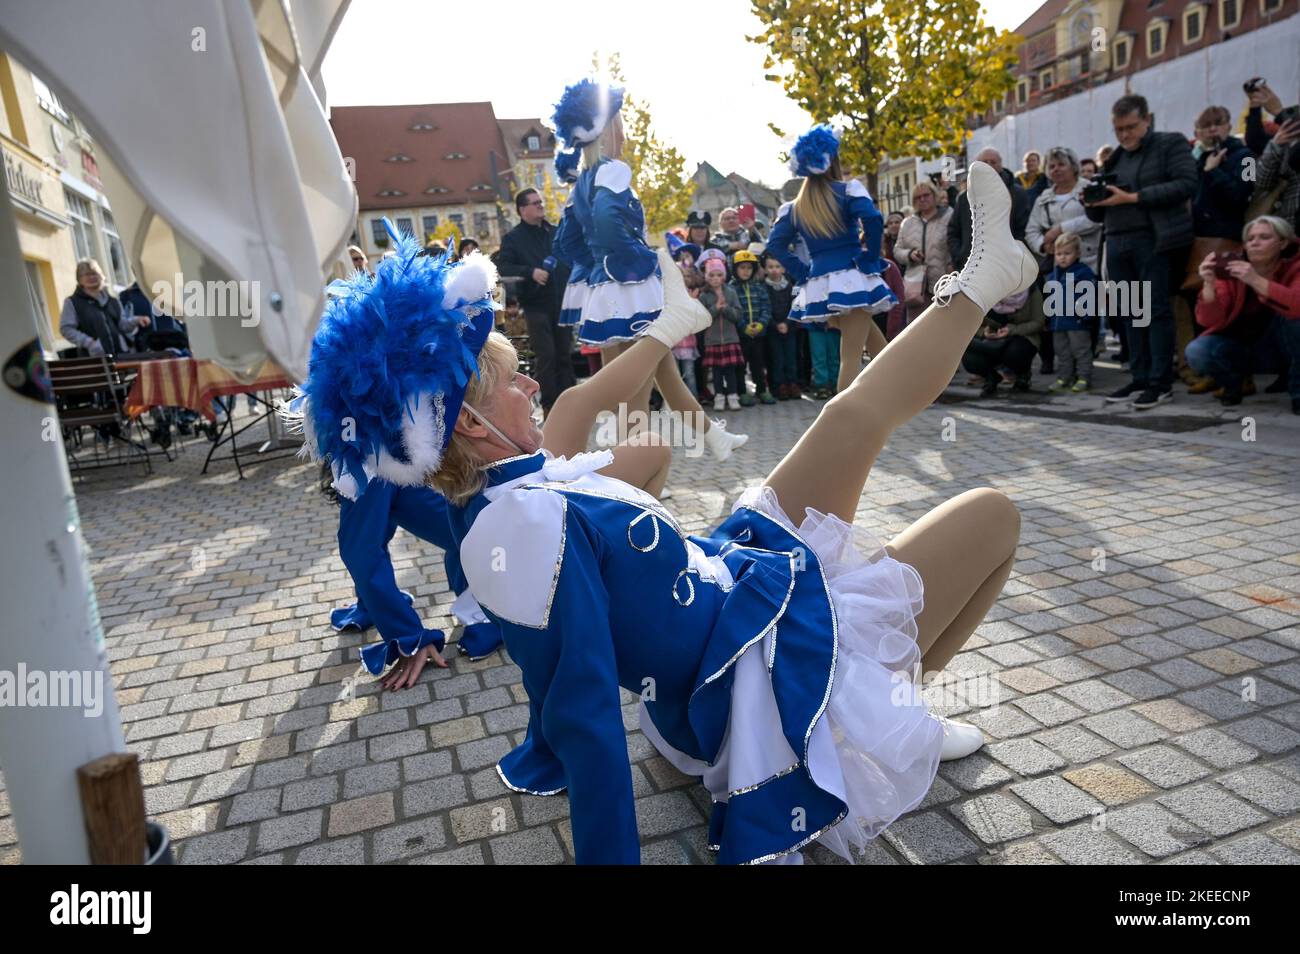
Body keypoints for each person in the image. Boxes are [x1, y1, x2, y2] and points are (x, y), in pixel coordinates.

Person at [320, 159, 1034, 865]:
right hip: (754, 672)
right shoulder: (518, 525)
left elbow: (563, 634)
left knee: (849, 417)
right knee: (992, 514)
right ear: (473, 427)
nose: (533, 379)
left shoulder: (507, 492)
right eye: (512, 378)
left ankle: (984, 276)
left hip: (732, 588)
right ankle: (888, 719)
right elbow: (584, 710)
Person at [548, 79, 747, 461]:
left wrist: (596, 266)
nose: (624, 130)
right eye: (619, 122)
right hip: (629, 285)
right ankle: (633, 472)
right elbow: (605, 222)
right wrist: (632, 259)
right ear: (609, 130)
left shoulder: (583, 180)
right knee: (632, 392)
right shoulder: (613, 170)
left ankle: (712, 438)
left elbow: (566, 242)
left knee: (659, 371)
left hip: (607, 291)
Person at [1085, 94, 1198, 411]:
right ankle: (1140, 376)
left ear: (1147, 120)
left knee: (1156, 311)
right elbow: (1101, 211)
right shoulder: (1116, 158)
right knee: (1131, 314)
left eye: (1131, 127)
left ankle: (1160, 383)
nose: (1124, 135)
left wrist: (1134, 198)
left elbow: (1187, 183)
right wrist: (1091, 201)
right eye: (1119, 129)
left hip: (1154, 240)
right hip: (1118, 241)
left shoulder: (1170, 144)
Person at [767, 124, 894, 396]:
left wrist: (804, 272)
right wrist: (870, 256)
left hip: (821, 281)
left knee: (873, 342)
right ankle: (842, 418)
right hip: (851, 274)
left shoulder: (795, 207)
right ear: (833, 159)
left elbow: (775, 244)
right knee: (850, 355)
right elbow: (872, 219)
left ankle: (899, 392)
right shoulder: (847, 190)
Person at [1188, 215, 1300, 412]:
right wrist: (1209, 285)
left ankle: (1297, 392)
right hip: (1244, 347)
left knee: (1295, 321)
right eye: (1250, 239)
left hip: (1283, 347)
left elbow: (1297, 305)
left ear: (1282, 243)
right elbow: (1208, 320)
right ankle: (1234, 384)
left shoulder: (1296, 264)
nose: (1255, 242)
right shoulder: (1230, 267)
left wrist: (1255, 280)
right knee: (1197, 351)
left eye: (1264, 237)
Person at [495, 188, 577, 413]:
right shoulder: (513, 238)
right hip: (535, 305)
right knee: (547, 355)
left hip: (561, 302)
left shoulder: (555, 231)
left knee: (564, 354)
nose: (540, 205)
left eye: (541, 201)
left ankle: (571, 403)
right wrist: (531, 272)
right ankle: (550, 406)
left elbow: (570, 256)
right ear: (522, 209)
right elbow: (503, 266)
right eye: (535, 202)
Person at [1024, 146, 1103, 373]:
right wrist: (1043, 244)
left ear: (1073, 167)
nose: (1056, 169)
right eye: (1052, 165)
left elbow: (1096, 219)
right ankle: (1064, 366)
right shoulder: (1044, 198)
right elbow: (1032, 230)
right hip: (1057, 269)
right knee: (1058, 318)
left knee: (1086, 317)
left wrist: (1061, 229)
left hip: (1088, 264)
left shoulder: (1088, 189)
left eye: (1061, 164)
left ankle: (1086, 367)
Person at [1043, 232, 1098, 393]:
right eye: (1059, 254)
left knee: (1081, 351)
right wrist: (1048, 320)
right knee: (1062, 351)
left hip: (1077, 322)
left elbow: (1089, 296)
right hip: (1058, 323)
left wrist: (1086, 317)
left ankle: (1083, 377)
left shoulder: (1084, 273)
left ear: (1078, 253)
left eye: (1067, 253)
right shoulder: (1053, 276)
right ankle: (1064, 377)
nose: (1062, 258)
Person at [60, 259, 149, 357]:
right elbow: (66, 329)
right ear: (79, 279)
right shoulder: (72, 302)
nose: (92, 277)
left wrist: (136, 320)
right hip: (95, 360)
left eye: (95, 273)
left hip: (122, 355)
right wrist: (90, 343)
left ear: (101, 276)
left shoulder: (113, 301)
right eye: (87, 274)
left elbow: (122, 325)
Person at [896, 179, 955, 324]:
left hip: (943, 282)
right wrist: (910, 255)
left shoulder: (949, 216)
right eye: (918, 197)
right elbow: (897, 250)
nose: (922, 199)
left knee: (945, 327)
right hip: (916, 287)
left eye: (926, 195)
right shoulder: (907, 223)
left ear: (934, 196)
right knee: (917, 330)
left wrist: (952, 264)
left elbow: (956, 243)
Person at [730, 249, 774, 405]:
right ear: (735, 269)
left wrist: (761, 324)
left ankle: (762, 390)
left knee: (758, 364)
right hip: (740, 335)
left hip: (759, 334)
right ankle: (742, 393)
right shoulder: (731, 288)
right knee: (740, 366)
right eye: (742, 267)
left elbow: (766, 307)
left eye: (749, 268)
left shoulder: (759, 287)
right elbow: (733, 311)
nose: (746, 271)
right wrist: (744, 327)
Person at [700, 258, 744, 410]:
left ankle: (733, 396)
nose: (715, 279)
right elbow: (702, 318)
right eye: (711, 275)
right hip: (713, 340)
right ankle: (719, 396)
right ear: (706, 277)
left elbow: (738, 315)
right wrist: (715, 308)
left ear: (723, 276)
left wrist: (725, 309)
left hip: (730, 338)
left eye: (718, 275)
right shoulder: (704, 295)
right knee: (717, 372)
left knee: (730, 370)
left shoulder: (731, 293)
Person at [762, 254, 799, 399]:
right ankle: (779, 385)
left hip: (789, 328)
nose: (774, 270)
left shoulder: (790, 286)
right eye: (770, 267)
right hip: (773, 329)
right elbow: (764, 308)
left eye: (777, 266)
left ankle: (793, 383)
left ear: (783, 268)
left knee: (791, 358)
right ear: (765, 269)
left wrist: (787, 323)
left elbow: (795, 306)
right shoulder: (764, 287)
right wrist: (776, 325)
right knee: (777, 359)